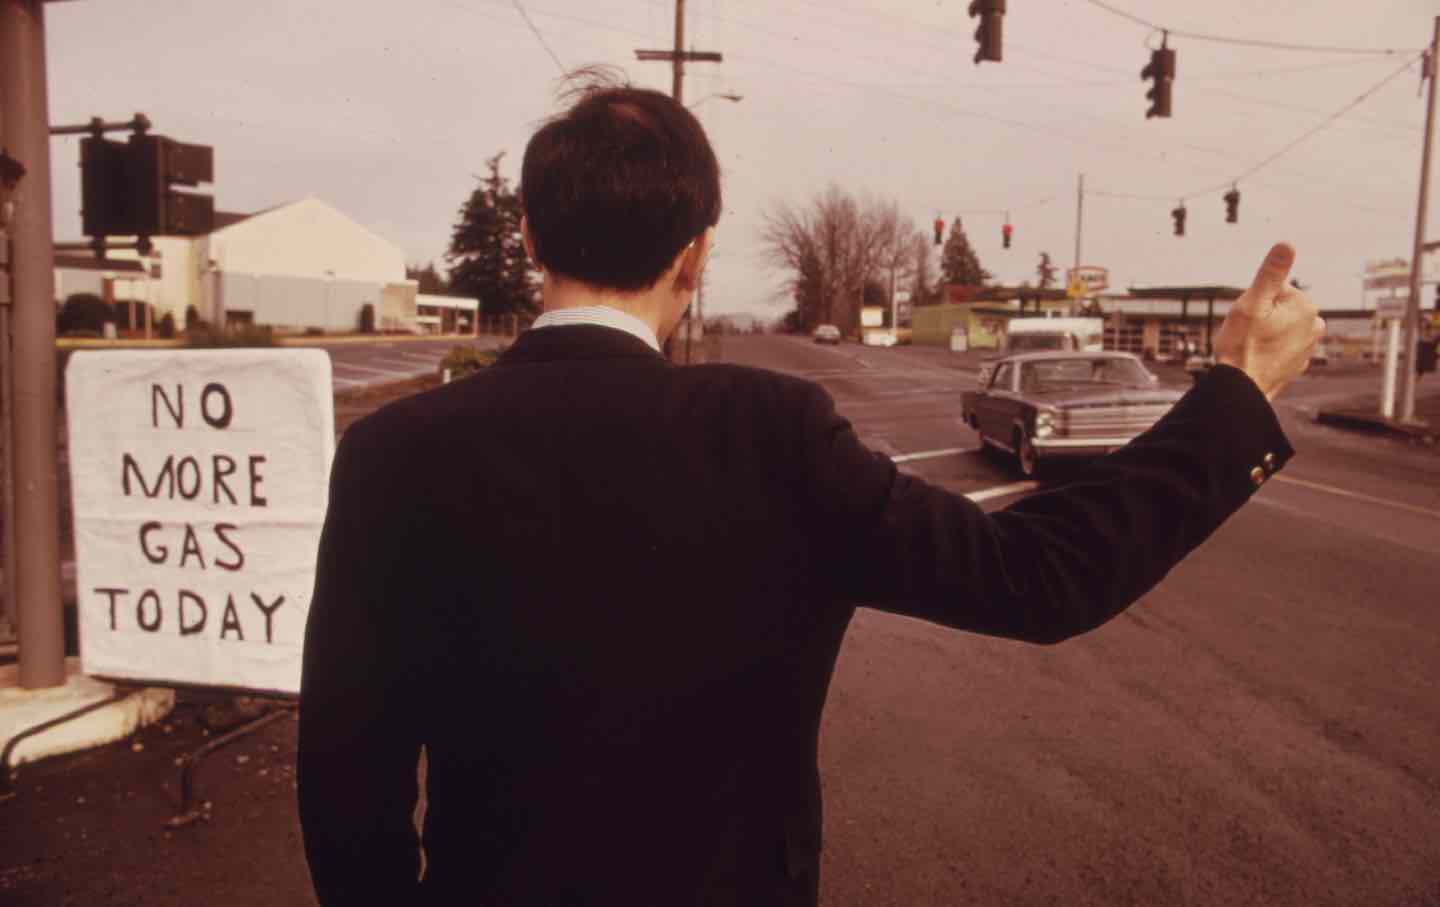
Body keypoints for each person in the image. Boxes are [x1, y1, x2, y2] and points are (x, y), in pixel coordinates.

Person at [296, 75, 1325, 906]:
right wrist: (1233, 396)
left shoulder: (397, 452)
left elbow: (347, 779)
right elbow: (1041, 574)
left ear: (529, 236)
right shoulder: (772, 434)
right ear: (696, 255)